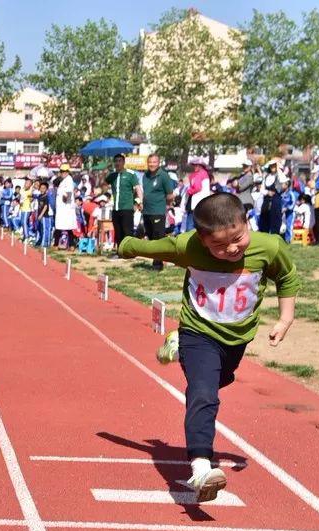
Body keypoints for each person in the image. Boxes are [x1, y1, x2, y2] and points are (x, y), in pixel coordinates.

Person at [118, 193, 299, 504]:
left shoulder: (269, 247)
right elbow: (151, 246)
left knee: (217, 382)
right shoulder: (186, 246)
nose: (231, 249)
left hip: (236, 339)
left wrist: (285, 318)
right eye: (219, 245)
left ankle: (177, 347)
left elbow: (287, 277)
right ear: (202, 241)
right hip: (199, 331)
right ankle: (201, 466)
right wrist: (126, 247)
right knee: (204, 393)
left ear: (246, 223)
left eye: (238, 239)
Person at [141, 154, 177, 270]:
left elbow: (170, 195)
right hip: (146, 211)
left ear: (159, 163)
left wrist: (165, 205)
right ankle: (157, 258)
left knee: (158, 237)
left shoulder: (164, 176)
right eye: (150, 162)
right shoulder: (145, 176)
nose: (152, 164)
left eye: (154, 162)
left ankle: (158, 263)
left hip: (158, 211)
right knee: (150, 237)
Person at [257, 160, 285, 235]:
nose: (273, 167)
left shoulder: (280, 175)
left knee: (275, 221)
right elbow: (261, 189)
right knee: (264, 220)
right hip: (266, 201)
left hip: (276, 201)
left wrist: (279, 169)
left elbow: (283, 181)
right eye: (271, 166)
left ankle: (275, 237)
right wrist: (267, 192)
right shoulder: (266, 176)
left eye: (274, 165)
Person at [54, 164, 77, 249]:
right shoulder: (62, 180)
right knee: (59, 226)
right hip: (61, 207)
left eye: (65, 171)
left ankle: (71, 245)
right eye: (62, 171)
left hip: (66, 207)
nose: (63, 173)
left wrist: (65, 196)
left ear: (68, 172)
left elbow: (68, 194)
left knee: (68, 227)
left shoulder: (69, 180)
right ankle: (57, 244)